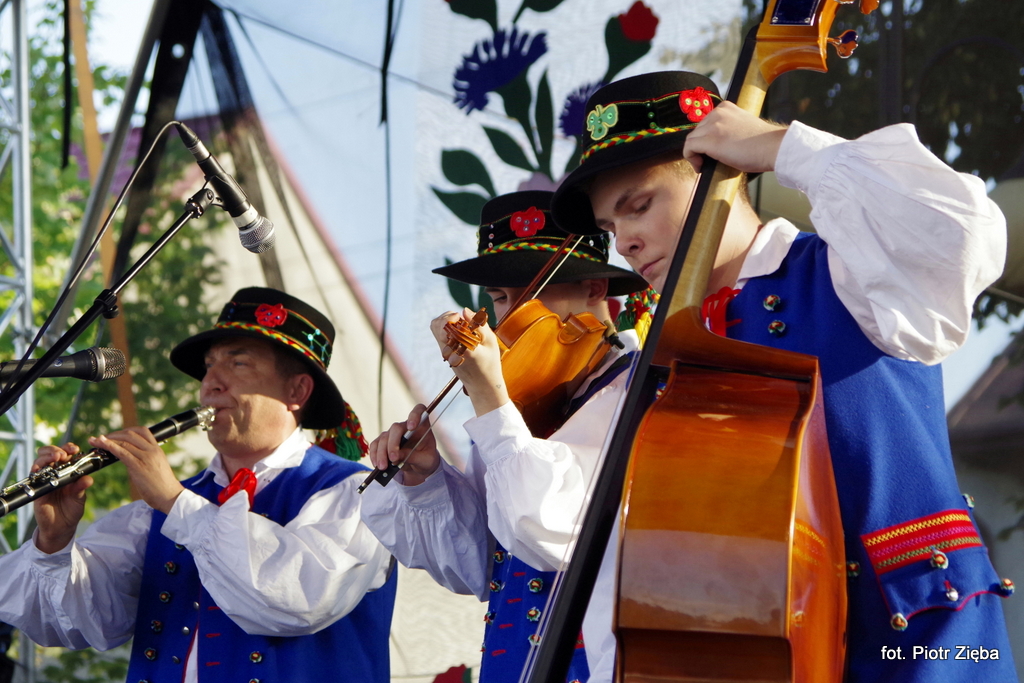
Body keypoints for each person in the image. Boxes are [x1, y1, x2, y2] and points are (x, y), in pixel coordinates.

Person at [516, 71, 1013, 681]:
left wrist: (784, 147)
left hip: (931, 648)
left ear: (721, 171)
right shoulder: (662, 361)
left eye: (639, 207)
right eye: (612, 230)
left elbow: (963, 232)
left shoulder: (851, 272)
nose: (626, 244)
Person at [0, 287, 396, 682]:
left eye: (238, 363)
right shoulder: (158, 511)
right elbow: (74, 625)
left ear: (297, 391)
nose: (211, 382)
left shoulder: (356, 493)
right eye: (208, 367)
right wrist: (55, 541)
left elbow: (299, 597)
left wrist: (176, 502)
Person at [360, 190, 647, 683]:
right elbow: (481, 567)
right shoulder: (518, 404)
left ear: (595, 287)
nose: (509, 319)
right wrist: (428, 480)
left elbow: (544, 531)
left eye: (528, 295)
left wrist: (490, 398)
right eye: (498, 299)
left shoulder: (638, 388)